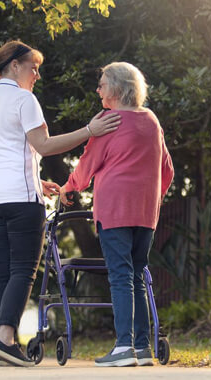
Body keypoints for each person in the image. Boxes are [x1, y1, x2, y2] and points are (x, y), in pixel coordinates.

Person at [0, 40, 121, 367]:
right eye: (33, 68)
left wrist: (37, 180)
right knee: (23, 269)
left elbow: (3, 151)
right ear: (14, 66)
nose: (37, 75)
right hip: (18, 197)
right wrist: (90, 130)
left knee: (0, 268)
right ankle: (6, 338)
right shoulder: (25, 99)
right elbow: (44, 144)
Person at [59, 62, 174, 367]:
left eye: (102, 84)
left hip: (115, 210)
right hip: (146, 212)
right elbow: (167, 170)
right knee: (136, 275)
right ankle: (141, 348)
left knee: (121, 276)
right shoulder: (151, 120)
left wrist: (68, 188)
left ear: (119, 88)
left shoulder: (109, 122)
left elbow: (86, 166)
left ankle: (123, 346)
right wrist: (151, 198)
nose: (98, 90)